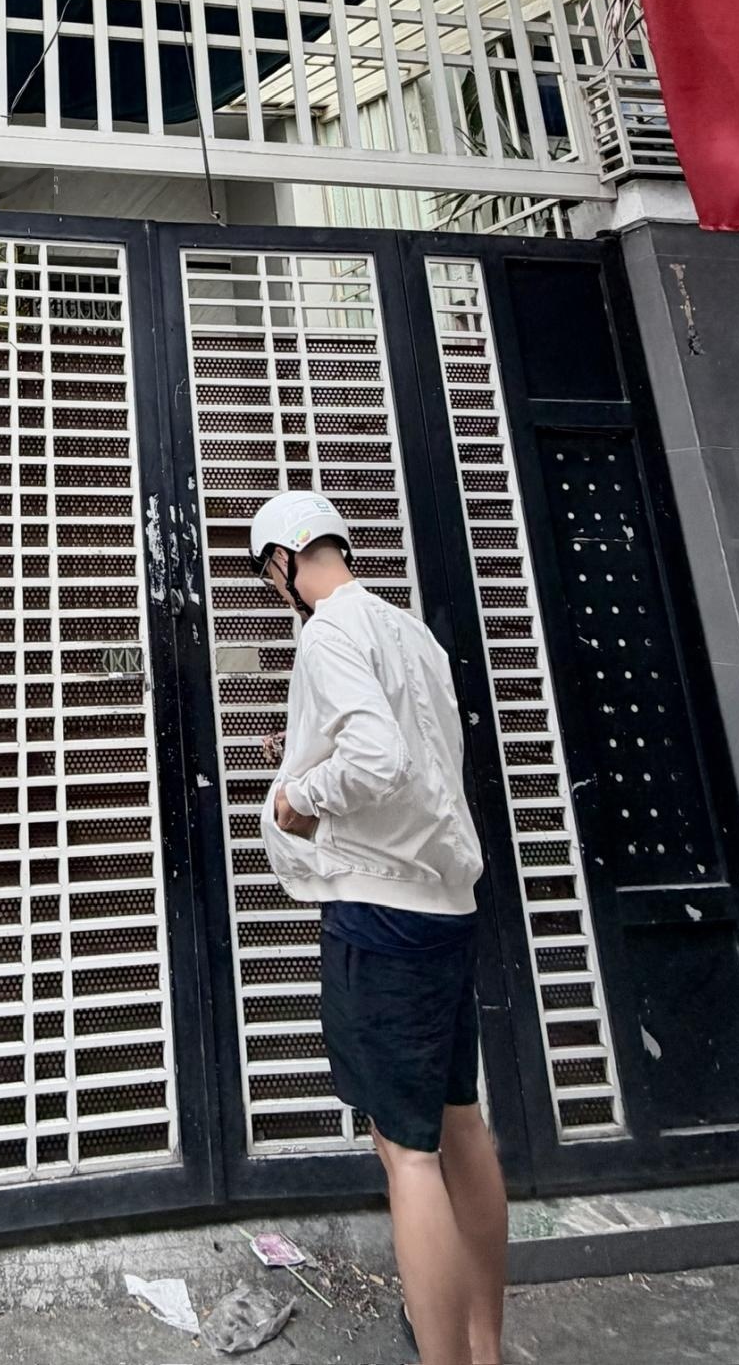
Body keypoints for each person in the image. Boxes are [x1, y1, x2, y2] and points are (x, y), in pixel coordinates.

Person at [251, 490, 505, 1365]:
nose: (275, 593)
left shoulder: (328, 632)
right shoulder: (412, 634)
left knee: (407, 1154)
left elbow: (377, 758)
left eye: (270, 577)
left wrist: (298, 797)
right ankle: (483, 1345)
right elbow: (423, 763)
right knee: (462, 1125)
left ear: (285, 561)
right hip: (447, 907)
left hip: (381, 913)